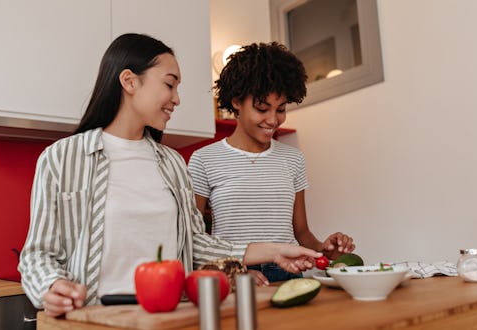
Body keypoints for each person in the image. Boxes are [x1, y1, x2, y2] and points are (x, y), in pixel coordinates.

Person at [18, 34, 323, 318]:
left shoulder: (173, 163)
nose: (177, 99)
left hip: (168, 318)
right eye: (169, 84)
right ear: (129, 81)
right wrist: (50, 286)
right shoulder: (63, 158)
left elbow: (197, 244)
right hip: (94, 318)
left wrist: (275, 251)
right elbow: (38, 254)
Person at [188, 42, 355, 285]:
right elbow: (194, 239)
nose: (273, 120)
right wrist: (231, 274)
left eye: (281, 109)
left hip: (289, 274)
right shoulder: (204, 159)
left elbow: (301, 233)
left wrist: (323, 249)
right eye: (262, 108)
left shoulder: (293, 159)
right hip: (236, 275)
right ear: (236, 101)